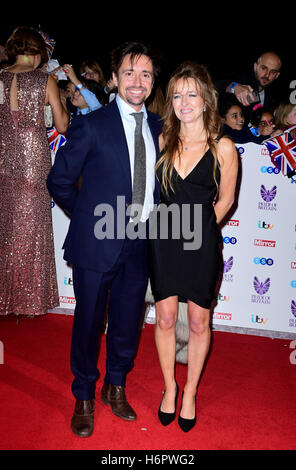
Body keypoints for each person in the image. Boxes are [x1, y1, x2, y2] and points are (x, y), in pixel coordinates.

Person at [47, 41, 162, 437]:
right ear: (114, 79)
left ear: (152, 81)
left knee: (129, 321)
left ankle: (116, 386)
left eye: (145, 74)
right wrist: (90, 219)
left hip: (142, 240)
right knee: (89, 321)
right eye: (129, 72)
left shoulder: (162, 127)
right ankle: (83, 394)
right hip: (98, 241)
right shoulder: (91, 124)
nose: (137, 81)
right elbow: (59, 180)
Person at [149, 61, 238, 432]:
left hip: (200, 245)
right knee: (166, 318)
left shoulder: (224, 147)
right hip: (162, 243)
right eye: (177, 95)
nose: (184, 102)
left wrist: (197, 230)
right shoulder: (163, 140)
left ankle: (189, 393)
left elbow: (225, 201)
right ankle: (170, 388)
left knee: (200, 323)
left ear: (205, 100)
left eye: (191, 94)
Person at [0, 26, 69, 317]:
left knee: (6, 231)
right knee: (33, 230)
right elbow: (62, 125)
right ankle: (28, 302)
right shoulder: (45, 80)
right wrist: (61, 104)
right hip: (34, 161)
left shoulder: (0, 77)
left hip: (4, 159)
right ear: (37, 51)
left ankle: (5, 299)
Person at [217, 51, 282, 120]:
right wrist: (234, 87)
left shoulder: (275, 96)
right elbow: (215, 86)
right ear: (255, 67)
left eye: (272, 72)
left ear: (277, 75)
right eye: (264, 68)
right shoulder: (242, 80)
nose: (267, 75)